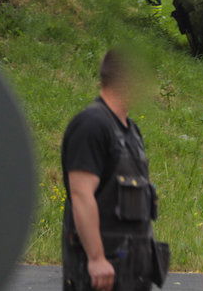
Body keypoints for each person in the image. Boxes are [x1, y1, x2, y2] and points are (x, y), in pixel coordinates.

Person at [61, 49, 163, 291]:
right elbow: (81, 194)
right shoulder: (92, 125)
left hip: (131, 272)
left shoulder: (131, 131)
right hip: (101, 275)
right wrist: (96, 259)